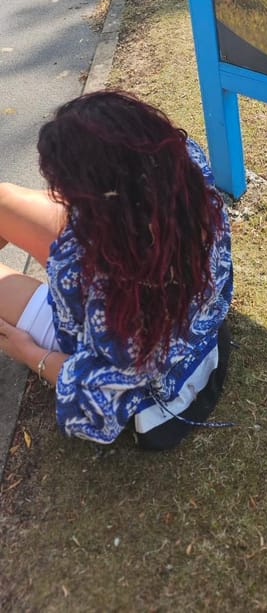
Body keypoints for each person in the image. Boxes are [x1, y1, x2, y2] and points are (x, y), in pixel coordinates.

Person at [0, 90, 233, 450]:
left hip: (154, 387)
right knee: (4, 200)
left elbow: (104, 391)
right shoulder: (188, 167)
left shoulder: (84, 270)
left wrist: (29, 353)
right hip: (192, 326)